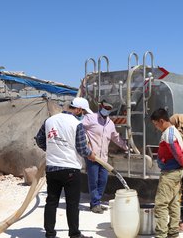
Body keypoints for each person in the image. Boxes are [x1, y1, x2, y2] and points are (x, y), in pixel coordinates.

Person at [35, 97, 95, 238]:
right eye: (83, 112)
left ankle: (49, 234)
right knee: (72, 203)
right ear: (78, 109)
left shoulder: (49, 121)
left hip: (52, 168)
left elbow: (39, 140)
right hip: (70, 169)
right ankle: (74, 234)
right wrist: (90, 154)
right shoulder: (76, 124)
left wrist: (51, 149)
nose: (83, 115)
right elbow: (81, 148)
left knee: (51, 202)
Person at [150, 108, 183, 238]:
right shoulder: (175, 131)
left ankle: (161, 234)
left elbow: (176, 151)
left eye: (156, 124)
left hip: (170, 174)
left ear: (161, 121)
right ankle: (173, 232)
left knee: (161, 204)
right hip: (177, 172)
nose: (156, 127)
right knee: (174, 203)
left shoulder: (168, 134)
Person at [82, 99, 128, 214]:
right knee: (93, 180)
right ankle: (95, 204)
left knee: (103, 180)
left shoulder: (110, 124)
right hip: (92, 156)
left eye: (109, 109)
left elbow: (115, 137)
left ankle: (97, 201)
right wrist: (86, 145)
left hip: (103, 158)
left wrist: (126, 146)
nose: (106, 110)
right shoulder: (90, 118)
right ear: (100, 106)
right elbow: (80, 129)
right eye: (105, 108)